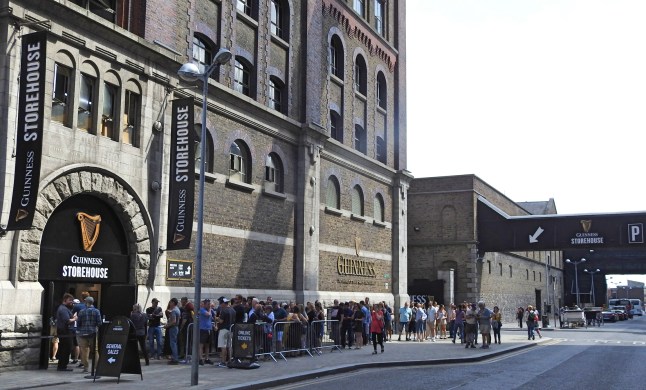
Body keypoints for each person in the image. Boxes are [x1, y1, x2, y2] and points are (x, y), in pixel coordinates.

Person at [77, 296, 102, 373]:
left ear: (86, 302)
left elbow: (78, 323)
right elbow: (99, 323)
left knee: (84, 351)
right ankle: (96, 367)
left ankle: (86, 368)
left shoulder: (81, 311)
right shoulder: (97, 311)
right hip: (93, 333)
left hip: (82, 334)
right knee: (95, 350)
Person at [55, 293, 77, 371]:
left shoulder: (64, 308)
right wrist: (75, 319)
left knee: (65, 348)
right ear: (65, 300)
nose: (71, 302)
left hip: (65, 331)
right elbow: (67, 321)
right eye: (70, 300)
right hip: (65, 332)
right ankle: (62, 366)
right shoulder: (63, 309)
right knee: (66, 348)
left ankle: (62, 365)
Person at [216, 298, 235, 367]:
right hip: (231, 329)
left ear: (223, 303)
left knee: (223, 346)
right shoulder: (233, 310)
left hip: (224, 330)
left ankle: (223, 361)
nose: (220, 305)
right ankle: (230, 360)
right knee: (230, 346)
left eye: (221, 304)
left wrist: (216, 318)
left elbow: (221, 321)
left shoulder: (224, 311)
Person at [198, 299, 214, 365]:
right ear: (204, 305)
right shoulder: (202, 310)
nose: (209, 306)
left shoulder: (210, 310)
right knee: (201, 345)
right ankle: (200, 359)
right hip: (203, 329)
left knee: (207, 345)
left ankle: (206, 358)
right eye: (208, 304)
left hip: (209, 329)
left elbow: (213, 318)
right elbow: (208, 315)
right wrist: (210, 308)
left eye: (209, 304)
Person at [165, 298, 181, 364]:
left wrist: (167, 325)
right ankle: (175, 357)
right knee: (174, 343)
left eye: (170, 302)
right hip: (176, 328)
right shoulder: (178, 309)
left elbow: (174, 321)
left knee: (173, 344)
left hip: (173, 328)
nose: (169, 304)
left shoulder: (174, 311)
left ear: (173, 303)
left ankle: (175, 359)